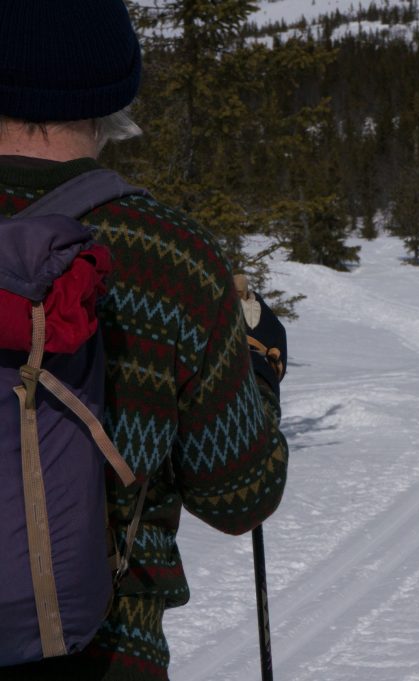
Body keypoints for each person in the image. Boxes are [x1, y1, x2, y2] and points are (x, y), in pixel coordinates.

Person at [0, 3, 289, 680]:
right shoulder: (171, 257)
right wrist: (261, 371)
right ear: (113, 88)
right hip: (107, 654)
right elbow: (240, 495)